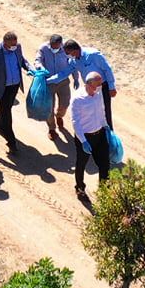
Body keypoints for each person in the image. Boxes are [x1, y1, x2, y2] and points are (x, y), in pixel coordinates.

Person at [0, 31, 31, 159]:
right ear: (5, 42)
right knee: (7, 115)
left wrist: (31, 69)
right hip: (2, 87)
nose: (14, 47)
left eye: (15, 44)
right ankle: (12, 142)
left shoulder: (17, 47)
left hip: (14, 86)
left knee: (6, 108)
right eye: (11, 45)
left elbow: (22, 60)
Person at [70, 70, 113, 200]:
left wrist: (106, 126)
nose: (99, 88)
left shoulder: (98, 94)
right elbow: (75, 122)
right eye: (97, 85)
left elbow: (101, 111)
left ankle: (104, 189)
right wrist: (83, 141)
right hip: (86, 137)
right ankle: (80, 188)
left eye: (100, 86)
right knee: (82, 164)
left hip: (100, 134)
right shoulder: (78, 99)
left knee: (105, 163)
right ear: (88, 84)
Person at [63, 40, 116, 126]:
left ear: (74, 50)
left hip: (102, 87)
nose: (67, 55)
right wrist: (50, 80)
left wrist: (112, 87)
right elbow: (64, 73)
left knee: (105, 112)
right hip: (89, 89)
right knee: (93, 112)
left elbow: (107, 69)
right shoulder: (73, 61)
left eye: (68, 53)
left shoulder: (93, 55)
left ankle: (108, 135)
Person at [39, 33, 75, 143]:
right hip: (48, 82)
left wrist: (76, 78)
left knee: (65, 104)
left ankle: (59, 116)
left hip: (63, 81)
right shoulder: (44, 48)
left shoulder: (66, 49)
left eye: (56, 46)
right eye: (52, 45)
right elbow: (38, 59)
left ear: (60, 44)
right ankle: (52, 128)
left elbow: (72, 63)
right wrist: (39, 67)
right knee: (49, 108)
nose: (53, 48)